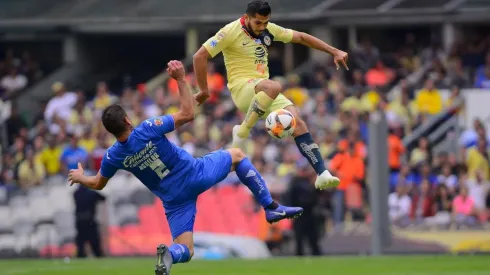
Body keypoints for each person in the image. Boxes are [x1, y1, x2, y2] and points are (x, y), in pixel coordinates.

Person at [68, 60, 303, 275]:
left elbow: (98, 183)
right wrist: (181, 79)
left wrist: (80, 177)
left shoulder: (113, 156)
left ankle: (170, 255)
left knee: (186, 250)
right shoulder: (148, 128)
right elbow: (188, 114)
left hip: (174, 200)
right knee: (238, 156)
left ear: (110, 131)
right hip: (194, 174)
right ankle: (271, 206)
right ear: (128, 120)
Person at [193, 0, 348, 190]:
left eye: (266, 23)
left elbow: (299, 37)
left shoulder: (268, 29)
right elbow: (199, 56)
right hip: (243, 89)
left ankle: (322, 173)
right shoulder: (230, 31)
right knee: (274, 85)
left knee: (297, 121)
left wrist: (334, 51)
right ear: (247, 18)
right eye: (258, 23)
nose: (262, 27)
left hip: (262, 90)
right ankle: (242, 131)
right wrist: (204, 90)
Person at [73, 185, 106, 258]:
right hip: (89, 220)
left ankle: (81, 255)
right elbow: (103, 198)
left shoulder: (76, 193)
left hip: (79, 221)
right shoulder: (92, 193)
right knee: (94, 240)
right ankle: (98, 255)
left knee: (81, 241)